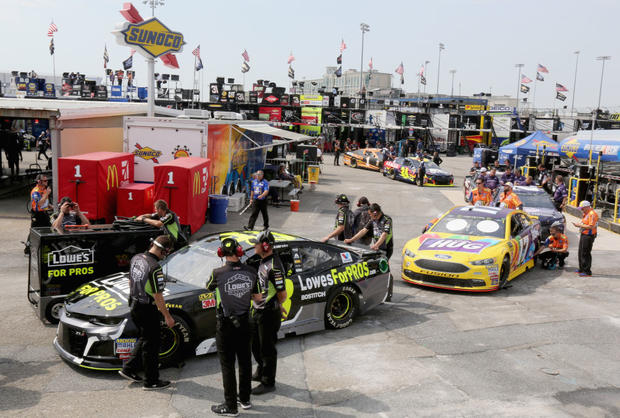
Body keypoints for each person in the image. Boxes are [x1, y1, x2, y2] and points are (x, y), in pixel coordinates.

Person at [206, 237, 260, 415]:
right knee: (245, 362)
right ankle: (244, 399)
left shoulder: (217, 273)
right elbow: (258, 298)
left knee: (228, 365)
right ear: (239, 252)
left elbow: (208, 287)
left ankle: (230, 407)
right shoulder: (252, 271)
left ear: (221, 253)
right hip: (245, 322)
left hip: (226, 324)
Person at [119, 235, 175, 390]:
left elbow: (130, 281)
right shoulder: (154, 267)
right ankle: (151, 382)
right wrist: (167, 316)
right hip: (147, 308)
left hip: (134, 303)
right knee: (151, 345)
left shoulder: (136, 257)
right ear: (165, 251)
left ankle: (128, 369)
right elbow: (158, 296)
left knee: (145, 339)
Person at [248, 231, 288, 395]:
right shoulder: (264, 261)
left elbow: (282, 294)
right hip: (259, 310)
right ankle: (261, 370)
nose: (254, 246)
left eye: (256, 243)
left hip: (268, 314)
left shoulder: (275, 267)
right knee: (256, 345)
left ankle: (268, 382)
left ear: (265, 246)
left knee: (267, 349)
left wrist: (278, 305)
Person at [24, 174, 53, 254]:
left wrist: (50, 206)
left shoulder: (44, 189)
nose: (47, 182)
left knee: (49, 229)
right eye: (45, 181)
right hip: (37, 215)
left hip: (44, 213)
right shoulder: (35, 191)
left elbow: (45, 201)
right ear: (39, 181)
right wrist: (47, 194)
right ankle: (28, 248)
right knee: (34, 231)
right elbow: (39, 203)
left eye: (47, 180)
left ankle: (47, 247)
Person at [572, 200, 598, 277]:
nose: (581, 210)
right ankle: (582, 268)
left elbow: (591, 226)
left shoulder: (592, 214)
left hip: (588, 235)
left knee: (585, 252)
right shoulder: (586, 213)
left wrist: (579, 225)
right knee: (581, 251)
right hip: (584, 234)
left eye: (582, 208)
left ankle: (587, 271)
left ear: (587, 207)